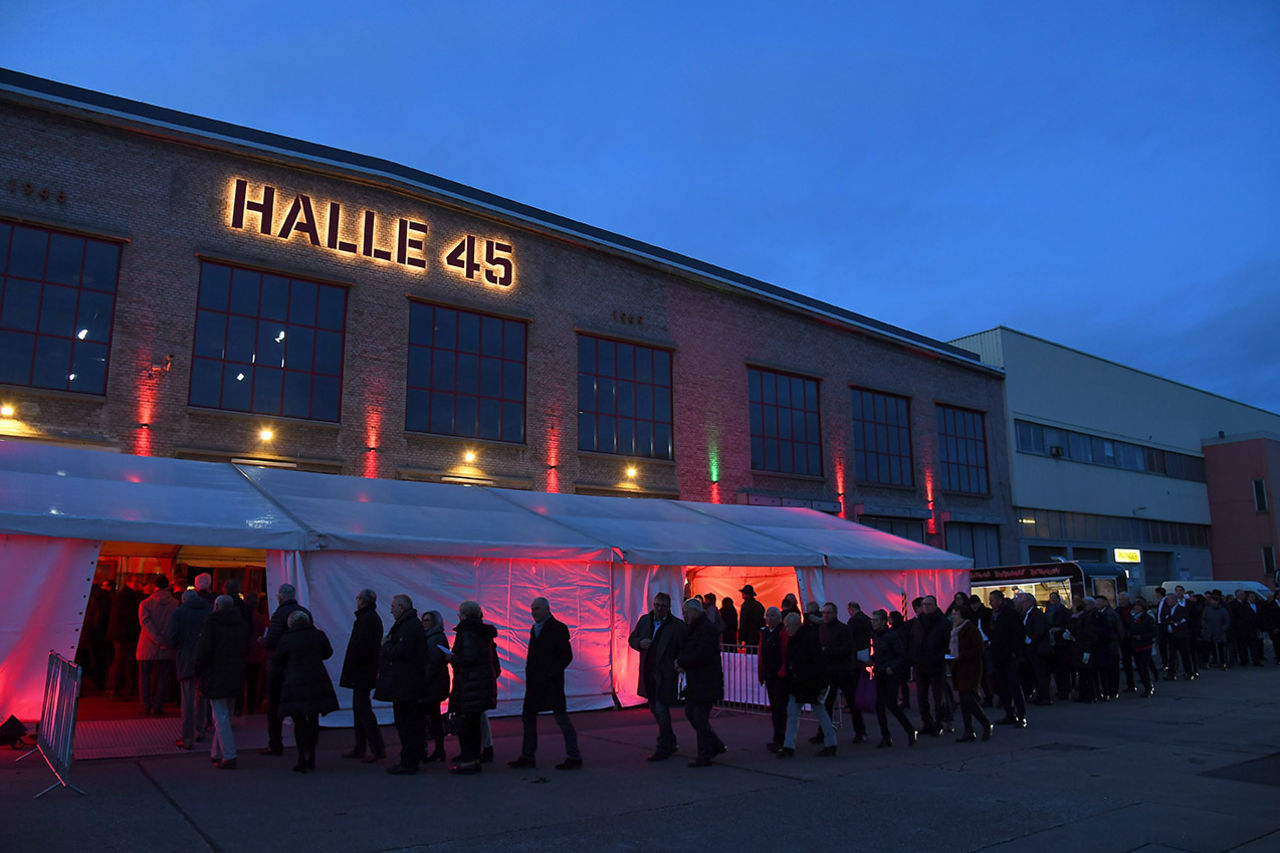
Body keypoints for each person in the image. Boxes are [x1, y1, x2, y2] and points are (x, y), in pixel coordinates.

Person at [509, 597, 582, 770]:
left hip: (550, 683)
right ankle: (528, 755)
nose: (534, 612)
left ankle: (574, 755)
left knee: (560, 717)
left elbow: (566, 656)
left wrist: (550, 673)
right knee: (529, 717)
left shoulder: (558, 628)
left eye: (537, 609)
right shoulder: (535, 629)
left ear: (547, 609)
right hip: (536, 683)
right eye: (533, 609)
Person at [273, 610, 339, 773]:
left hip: (295, 680)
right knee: (313, 718)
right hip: (316, 679)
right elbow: (328, 653)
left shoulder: (287, 639)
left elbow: (278, 660)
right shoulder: (318, 635)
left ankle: (302, 755)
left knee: (299, 720)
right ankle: (312, 753)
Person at [194, 595, 250, 769]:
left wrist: (198, 669)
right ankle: (216, 752)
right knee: (226, 714)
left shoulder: (212, 624)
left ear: (216, 606)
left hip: (216, 673)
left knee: (220, 716)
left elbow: (203, 651)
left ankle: (228, 754)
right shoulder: (242, 625)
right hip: (236, 673)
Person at [627, 592, 685, 761]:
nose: (659, 609)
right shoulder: (645, 621)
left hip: (665, 674)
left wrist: (678, 664)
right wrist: (640, 643)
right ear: (653, 605)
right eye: (657, 605)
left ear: (669, 607)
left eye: (663, 606)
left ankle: (664, 746)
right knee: (656, 709)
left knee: (661, 709)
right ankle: (670, 741)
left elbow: (683, 648)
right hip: (648, 672)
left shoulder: (677, 626)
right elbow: (632, 638)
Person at [378, 594, 428, 774]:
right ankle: (413, 756)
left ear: (401, 607)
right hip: (409, 682)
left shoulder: (407, 627)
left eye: (393, 606)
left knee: (406, 723)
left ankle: (409, 760)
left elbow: (402, 651)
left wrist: (385, 647)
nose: (391, 610)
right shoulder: (411, 625)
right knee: (410, 722)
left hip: (404, 683)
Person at [448, 600, 499, 774]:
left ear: (462, 615)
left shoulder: (467, 633)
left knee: (467, 726)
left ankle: (468, 760)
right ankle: (474, 758)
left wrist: (452, 658)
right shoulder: (484, 634)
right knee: (474, 724)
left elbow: (468, 659)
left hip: (469, 685)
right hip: (480, 685)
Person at [259, 584, 311, 756]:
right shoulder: (305, 612)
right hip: (300, 667)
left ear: (280, 597)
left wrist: (262, 641)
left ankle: (275, 743)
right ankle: (304, 746)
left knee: (274, 707)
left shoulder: (278, 615)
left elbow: (272, 640)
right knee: (299, 709)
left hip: (279, 667)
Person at [776, 611, 836, 758]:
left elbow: (817, 663)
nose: (786, 629)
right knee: (811, 713)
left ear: (795, 625)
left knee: (812, 713)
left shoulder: (806, 639)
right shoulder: (803, 637)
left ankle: (790, 746)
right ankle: (790, 745)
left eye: (788, 626)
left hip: (808, 684)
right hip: (802, 684)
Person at [675, 597, 726, 767]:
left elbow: (702, 653)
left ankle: (705, 753)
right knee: (693, 714)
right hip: (699, 680)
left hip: (705, 680)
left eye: (686, 613)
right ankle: (714, 745)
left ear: (695, 612)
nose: (684, 616)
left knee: (699, 716)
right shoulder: (698, 629)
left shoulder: (705, 630)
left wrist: (682, 661)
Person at [339, 588, 386, 764]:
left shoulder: (366, 620)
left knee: (363, 710)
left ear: (363, 601)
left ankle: (375, 748)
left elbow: (361, 647)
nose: (356, 600)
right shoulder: (370, 618)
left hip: (361, 671)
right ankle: (362, 747)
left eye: (358, 597)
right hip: (364, 670)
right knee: (360, 710)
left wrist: (352, 665)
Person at [813, 601, 866, 744]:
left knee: (852, 702)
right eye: (823, 613)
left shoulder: (843, 629)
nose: (825, 615)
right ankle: (823, 732)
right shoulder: (822, 629)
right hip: (829, 672)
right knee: (826, 704)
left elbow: (847, 648)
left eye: (828, 612)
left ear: (835, 614)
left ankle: (860, 732)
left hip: (844, 672)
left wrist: (828, 651)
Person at [165, 588, 212, 750]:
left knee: (188, 700)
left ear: (184, 599)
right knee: (202, 697)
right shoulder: (209, 610)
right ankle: (200, 730)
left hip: (186, 658)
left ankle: (187, 738)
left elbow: (171, 637)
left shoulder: (179, 613)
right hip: (205, 660)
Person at [870, 608, 917, 747]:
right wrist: (871, 660)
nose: (874, 623)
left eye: (876, 620)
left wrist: (892, 666)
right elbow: (879, 654)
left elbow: (901, 654)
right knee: (879, 706)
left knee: (891, 704)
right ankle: (885, 736)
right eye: (873, 620)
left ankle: (909, 730)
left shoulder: (891, 636)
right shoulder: (876, 635)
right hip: (879, 672)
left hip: (890, 674)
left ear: (884, 622)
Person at [910, 595, 953, 735]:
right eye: (924, 604)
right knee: (921, 697)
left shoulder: (943, 622)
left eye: (929, 604)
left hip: (936, 664)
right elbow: (913, 640)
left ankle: (940, 722)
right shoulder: (918, 622)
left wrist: (940, 657)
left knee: (938, 697)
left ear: (935, 605)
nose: (926, 607)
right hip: (920, 664)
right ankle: (926, 722)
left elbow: (947, 643)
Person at [137, 573, 179, 716]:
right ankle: (158, 705)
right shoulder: (175, 604)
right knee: (163, 678)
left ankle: (145, 705)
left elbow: (146, 624)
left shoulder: (145, 604)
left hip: (147, 646)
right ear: (168, 586)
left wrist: (157, 640)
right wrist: (165, 640)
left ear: (154, 586)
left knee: (145, 678)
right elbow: (175, 625)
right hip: (167, 646)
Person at [949, 604, 992, 742]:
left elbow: (978, 650)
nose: (953, 617)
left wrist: (960, 655)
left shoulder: (971, 630)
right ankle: (969, 730)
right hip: (959, 668)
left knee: (969, 699)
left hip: (970, 669)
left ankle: (985, 723)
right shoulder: (955, 630)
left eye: (956, 614)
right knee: (964, 701)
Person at [988, 590, 1026, 727]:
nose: (990, 603)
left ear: (999, 600)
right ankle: (1009, 713)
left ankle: (1021, 714)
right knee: (1003, 686)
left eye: (992, 600)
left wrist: (1014, 651)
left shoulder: (1010, 614)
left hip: (1008, 654)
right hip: (998, 654)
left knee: (1014, 686)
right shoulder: (994, 615)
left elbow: (1018, 634)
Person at [420, 610, 451, 763]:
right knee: (434, 717)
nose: (424, 623)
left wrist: (421, 681)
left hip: (431, 685)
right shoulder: (436, 637)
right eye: (424, 620)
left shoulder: (433, 639)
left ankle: (434, 749)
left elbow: (432, 664)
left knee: (429, 718)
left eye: (427, 621)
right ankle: (439, 749)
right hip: (436, 684)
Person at [757, 606, 788, 752]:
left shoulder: (782, 632)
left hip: (779, 676)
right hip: (770, 674)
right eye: (767, 616)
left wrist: (782, 671)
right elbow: (762, 654)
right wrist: (761, 673)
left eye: (772, 616)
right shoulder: (765, 633)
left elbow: (786, 653)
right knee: (775, 708)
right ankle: (778, 738)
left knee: (780, 708)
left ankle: (781, 739)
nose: (769, 618)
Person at [1016, 593, 1052, 706]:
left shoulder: (1037, 614)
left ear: (1030, 602)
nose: (1022, 604)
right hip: (1030, 648)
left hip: (1037, 648)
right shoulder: (1026, 614)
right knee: (1034, 674)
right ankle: (1039, 695)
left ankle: (1045, 696)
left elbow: (1039, 631)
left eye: (1024, 602)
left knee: (1040, 673)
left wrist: (1031, 640)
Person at [1128, 598, 1157, 697]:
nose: (1136, 608)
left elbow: (1153, 632)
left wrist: (1142, 637)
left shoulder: (1148, 618)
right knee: (1139, 667)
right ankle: (1145, 686)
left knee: (1144, 666)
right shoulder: (1132, 618)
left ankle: (1149, 687)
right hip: (1135, 645)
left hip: (1145, 646)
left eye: (1138, 606)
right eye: (1135, 606)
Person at [1200, 593, 1231, 671]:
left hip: (1219, 632)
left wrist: (1223, 629)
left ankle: (1222, 663)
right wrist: (1205, 627)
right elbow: (1203, 619)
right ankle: (1206, 663)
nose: (1213, 602)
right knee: (1207, 649)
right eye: (1211, 601)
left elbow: (1227, 621)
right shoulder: (1207, 609)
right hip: (1209, 632)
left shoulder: (1223, 610)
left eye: (1214, 601)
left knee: (1221, 649)